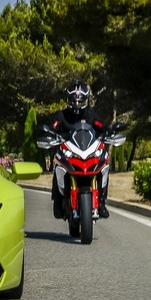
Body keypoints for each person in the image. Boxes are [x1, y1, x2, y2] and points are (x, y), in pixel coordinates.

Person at [46, 81, 110, 219]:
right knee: (58, 166)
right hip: (68, 151)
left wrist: (108, 132)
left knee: (104, 164)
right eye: (74, 100)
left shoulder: (91, 115)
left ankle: (102, 202)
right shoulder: (61, 115)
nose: (77, 103)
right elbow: (53, 127)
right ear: (68, 100)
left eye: (80, 100)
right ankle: (58, 201)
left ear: (86, 100)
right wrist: (51, 133)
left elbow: (101, 126)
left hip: (88, 150)